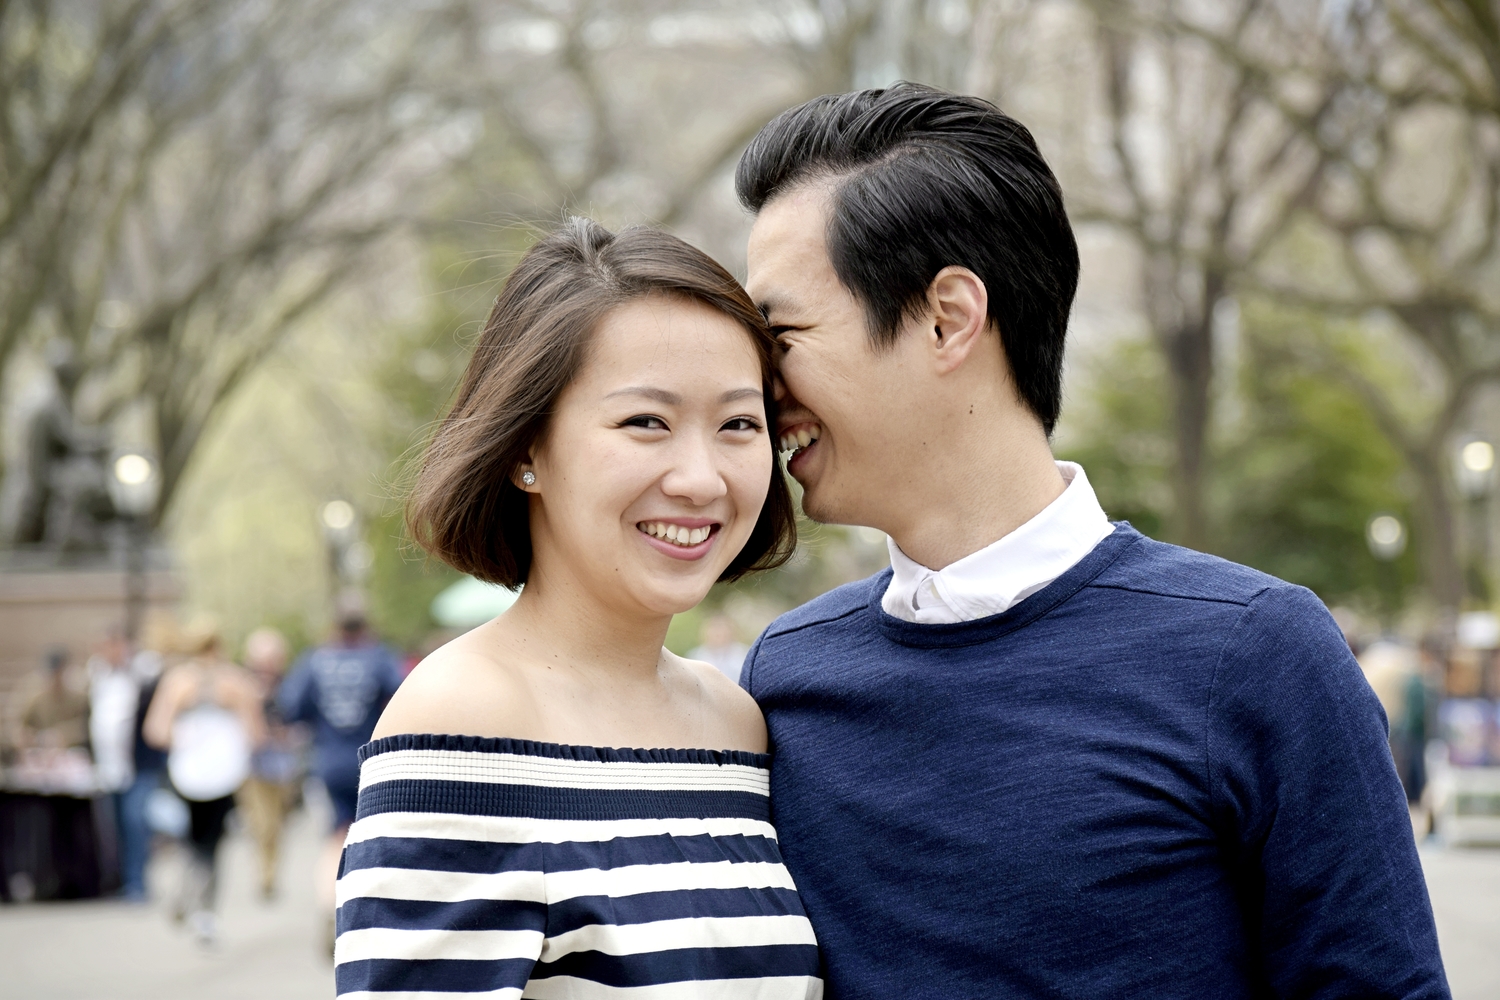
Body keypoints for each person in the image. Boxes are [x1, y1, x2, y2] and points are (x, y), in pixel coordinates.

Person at [735, 83, 1449, 998]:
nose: (759, 383)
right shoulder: (784, 679)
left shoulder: (1256, 653)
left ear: (948, 317)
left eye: (782, 334)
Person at [338, 219, 819, 999]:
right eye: (646, 422)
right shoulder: (464, 717)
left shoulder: (735, 721)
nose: (701, 479)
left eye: (738, 424)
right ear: (527, 448)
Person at [277, 598, 403, 947]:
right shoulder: (379, 657)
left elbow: (290, 709)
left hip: (329, 763)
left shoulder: (315, 660)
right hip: (373, 762)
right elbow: (403, 697)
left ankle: (329, 905)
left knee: (335, 836)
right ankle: (372, 908)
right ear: (364, 626)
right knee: (376, 836)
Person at [143, 619, 264, 944]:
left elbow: (156, 731)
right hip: (224, 776)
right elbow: (256, 734)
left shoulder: (177, 682)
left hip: (188, 775)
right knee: (212, 842)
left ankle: (186, 894)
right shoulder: (236, 682)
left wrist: (187, 737)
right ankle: (203, 910)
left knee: (192, 838)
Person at [237, 627, 302, 899]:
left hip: (284, 765)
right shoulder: (243, 685)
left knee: (277, 823)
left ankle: (271, 869)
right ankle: (265, 874)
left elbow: (299, 722)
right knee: (261, 823)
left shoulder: (290, 686)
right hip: (252, 765)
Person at [689, 612, 750, 684]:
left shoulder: (744, 654)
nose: (718, 632)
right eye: (714, 628)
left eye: (722, 627)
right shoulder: (695, 656)